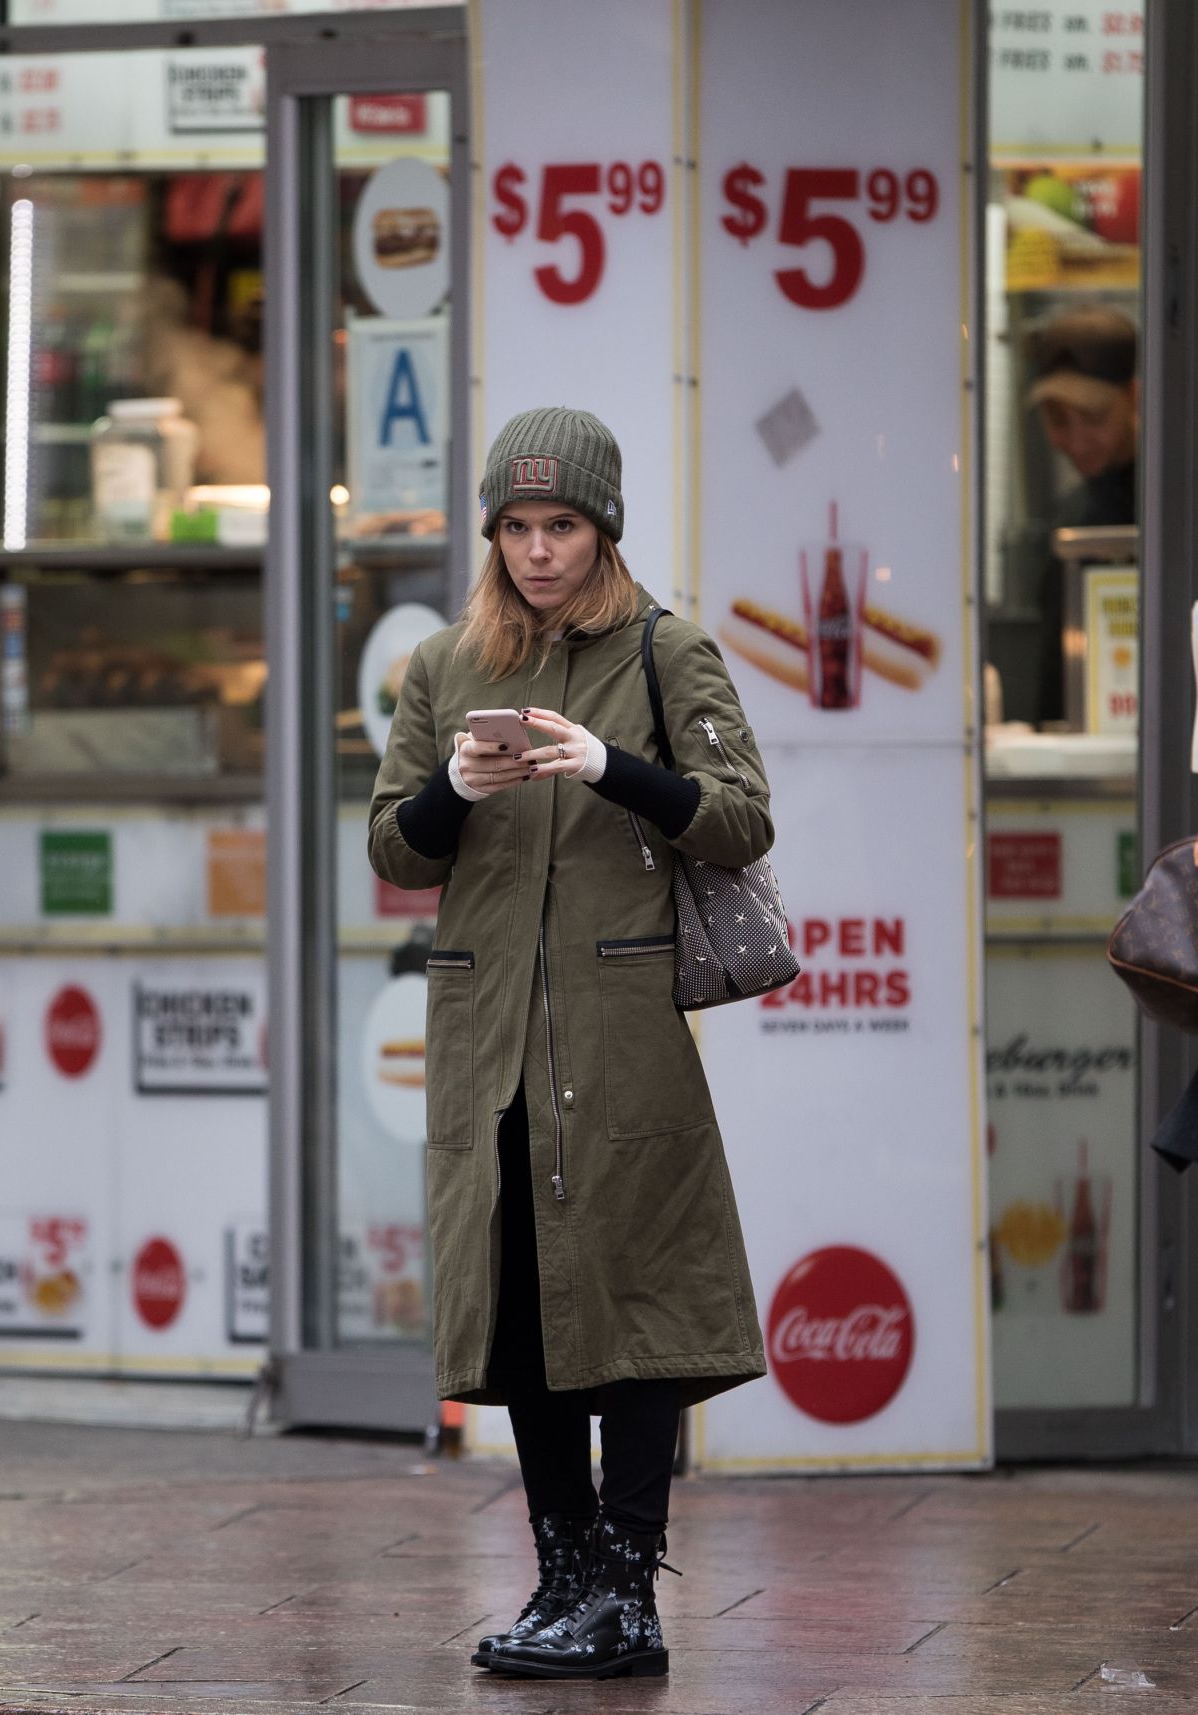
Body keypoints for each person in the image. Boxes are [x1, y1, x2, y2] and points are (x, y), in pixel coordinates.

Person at [368, 407, 770, 1681]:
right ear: (491, 533)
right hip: (487, 1035)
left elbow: (741, 819)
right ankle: (559, 1576)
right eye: (517, 527)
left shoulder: (666, 650)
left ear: (603, 527)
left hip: (620, 1030)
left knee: (637, 1297)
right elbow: (390, 848)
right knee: (525, 1308)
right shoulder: (442, 667)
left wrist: (611, 766)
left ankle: (625, 1586)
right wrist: (454, 794)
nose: (538, 550)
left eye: (562, 524)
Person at [1026, 306, 1138, 723]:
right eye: (1057, 420)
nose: (1076, 441)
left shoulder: (1173, 509)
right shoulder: (1071, 513)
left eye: (1093, 417)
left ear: (1134, 397)